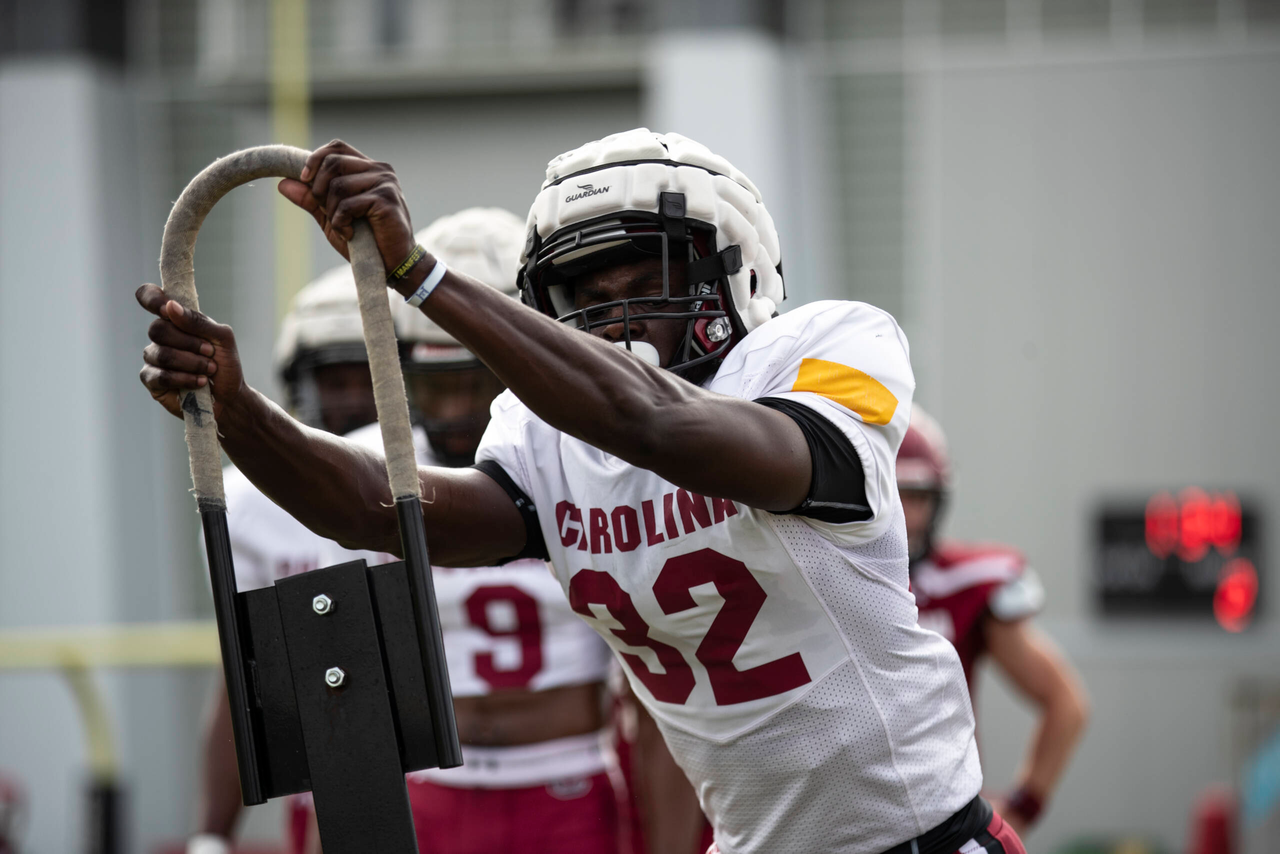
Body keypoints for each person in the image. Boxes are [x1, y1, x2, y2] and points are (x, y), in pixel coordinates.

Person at [140, 129, 1025, 854]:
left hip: (921, 840)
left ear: (736, 272)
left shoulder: (824, 351)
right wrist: (238, 410)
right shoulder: (543, 432)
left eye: (649, 285)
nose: (621, 320)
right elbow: (383, 509)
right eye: (589, 299)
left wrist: (424, 276)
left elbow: (661, 427)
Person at [310, 208, 619, 854]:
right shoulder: (365, 471)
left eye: (474, 383)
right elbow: (335, 681)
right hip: (424, 786)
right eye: (434, 385)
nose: (453, 414)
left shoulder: (584, 457)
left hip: (570, 776)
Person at [186, 265, 379, 854]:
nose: (348, 399)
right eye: (331, 380)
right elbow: (244, 674)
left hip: (441, 772)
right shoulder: (248, 504)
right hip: (324, 784)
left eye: (362, 378)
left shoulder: (435, 480)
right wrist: (213, 833)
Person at [898, 404, 1090, 836]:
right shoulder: (816, 573)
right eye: (894, 495)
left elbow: (1066, 703)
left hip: (936, 827)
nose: (907, 516)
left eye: (919, 497)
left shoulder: (965, 582)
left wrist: (1023, 805)